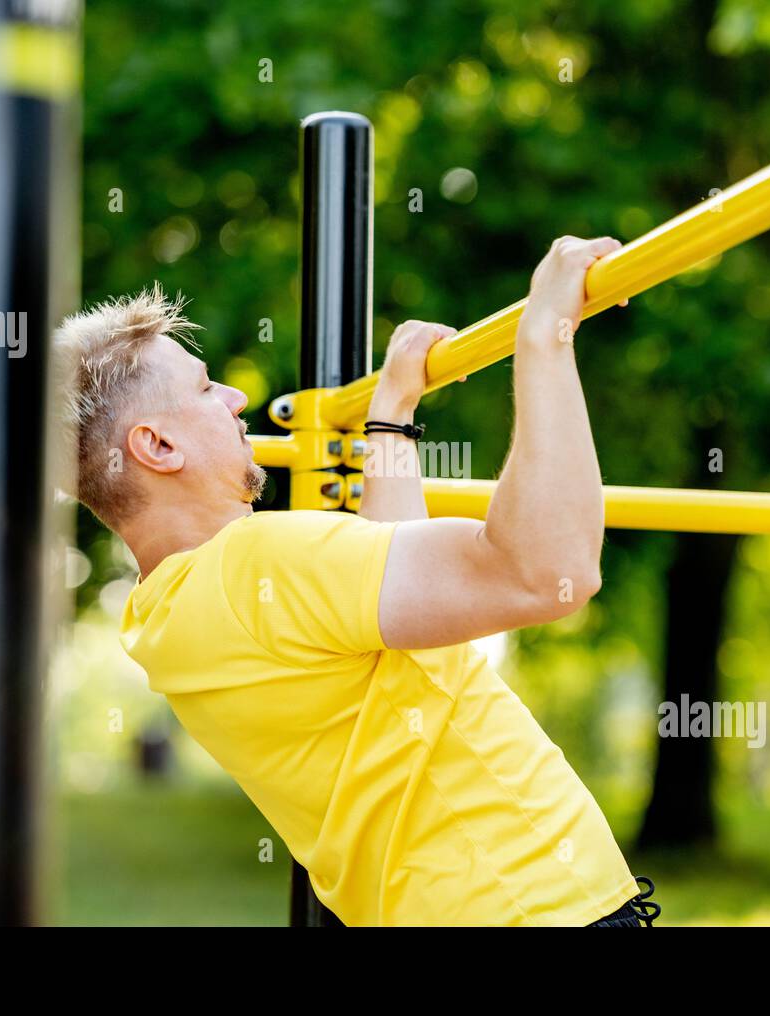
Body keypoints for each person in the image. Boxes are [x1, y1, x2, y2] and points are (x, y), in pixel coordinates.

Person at [53, 235, 658, 927]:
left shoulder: (162, 616)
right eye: (203, 387)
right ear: (158, 446)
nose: (236, 394)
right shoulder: (262, 560)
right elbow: (549, 572)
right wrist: (544, 336)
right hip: (532, 907)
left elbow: (378, 579)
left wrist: (391, 416)